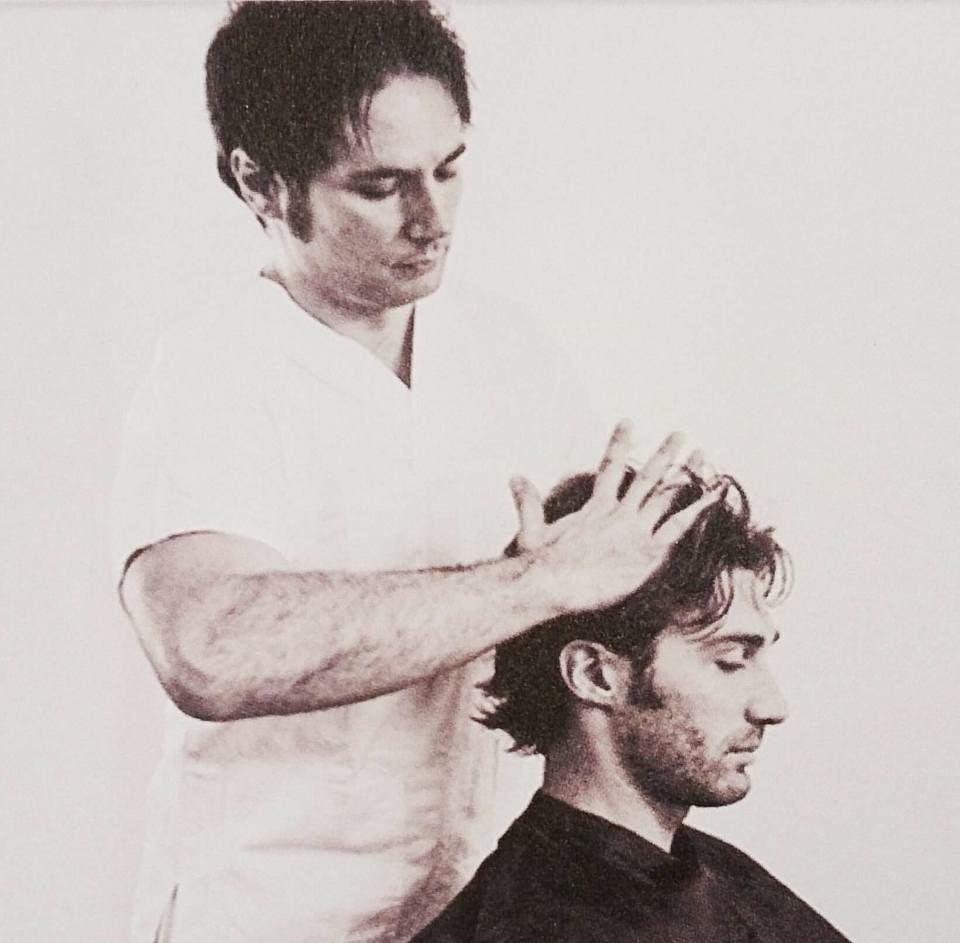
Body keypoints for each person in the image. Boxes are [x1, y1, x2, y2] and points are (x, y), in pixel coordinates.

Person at [110, 3, 720, 941]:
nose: (432, 220)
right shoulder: (212, 374)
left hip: (487, 908)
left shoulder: (507, 351)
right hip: (273, 915)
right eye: (380, 185)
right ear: (260, 182)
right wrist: (537, 579)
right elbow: (212, 649)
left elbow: (596, 600)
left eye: (450, 168)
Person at [413, 470, 853, 943]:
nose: (773, 706)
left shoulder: (714, 871)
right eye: (730, 661)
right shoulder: (534, 925)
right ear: (595, 675)